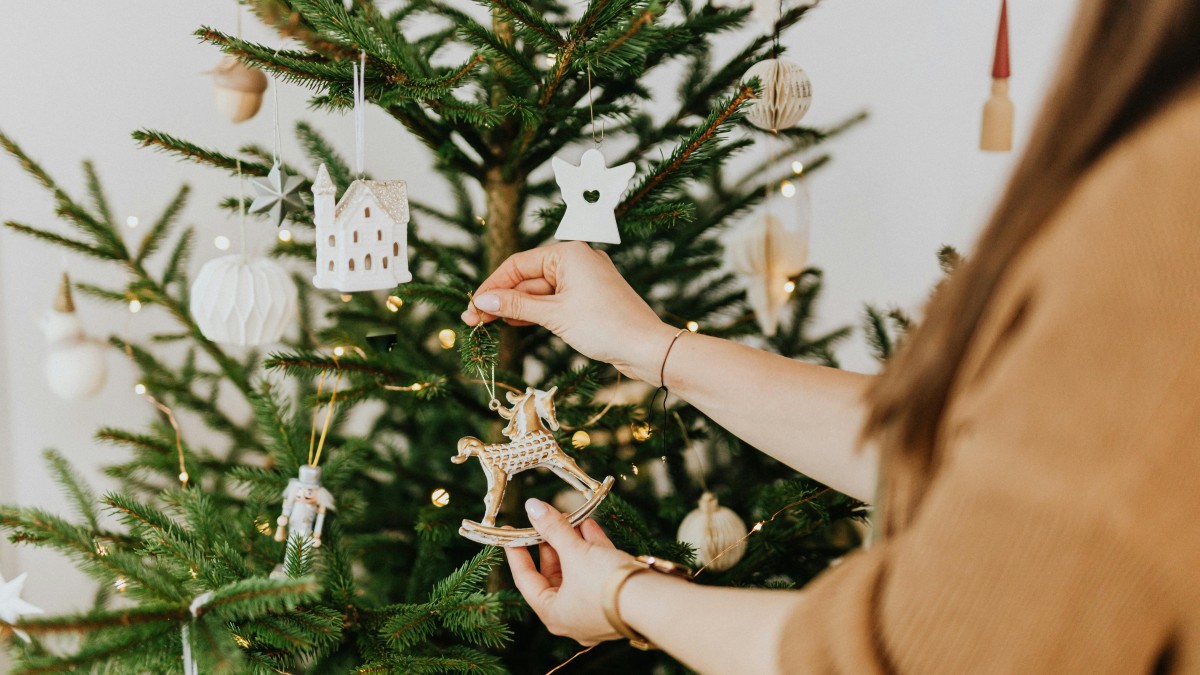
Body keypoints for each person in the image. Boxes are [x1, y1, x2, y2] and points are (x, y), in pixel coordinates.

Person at [460, 0, 1200, 671]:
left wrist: (625, 595)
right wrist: (646, 345)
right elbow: (949, 455)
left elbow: (917, 652)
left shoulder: (1167, 193)